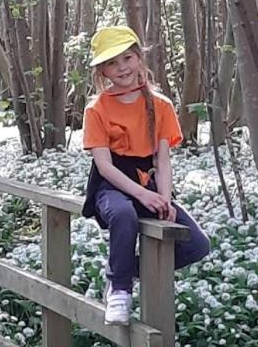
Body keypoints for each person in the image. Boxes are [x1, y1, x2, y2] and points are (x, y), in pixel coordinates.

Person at [81, 25, 210, 325]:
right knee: (124, 214)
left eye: (127, 58)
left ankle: (121, 269)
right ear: (103, 71)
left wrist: (164, 200)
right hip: (111, 187)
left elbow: (162, 161)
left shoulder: (161, 105)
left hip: (148, 183)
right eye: (112, 63)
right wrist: (142, 195)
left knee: (197, 244)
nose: (122, 67)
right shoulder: (96, 109)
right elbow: (105, 167)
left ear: (139, 58)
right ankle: (120, 290)